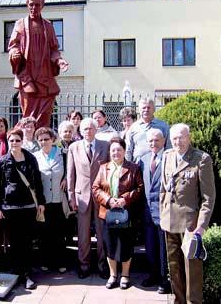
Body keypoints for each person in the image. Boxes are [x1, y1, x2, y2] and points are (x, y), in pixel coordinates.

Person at [160, 123, 216, 304]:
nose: (178, 141)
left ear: (189, 137)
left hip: (190, 225)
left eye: (182, 137)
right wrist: (163, 214)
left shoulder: (201, 159)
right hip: (169, 222)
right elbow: (163, 189)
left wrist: (201, 227)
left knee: (192, 270)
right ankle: (179, 301)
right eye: (174, 138)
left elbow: (208, 198)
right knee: (174, 268)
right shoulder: (167, 156)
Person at [0, 128, 45, 290]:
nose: (14, 143)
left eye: (17, 140)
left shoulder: (30, 158)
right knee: (14, 242)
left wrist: (41, 202)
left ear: (22, 141)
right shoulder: (3, 161)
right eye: (11, 140)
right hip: (9, 208)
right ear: (8, 142)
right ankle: (17, 272)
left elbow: (37, 181)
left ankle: (28, 274)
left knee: (27, 242)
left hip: (28, 207)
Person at [8, 0, 69, 128]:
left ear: (42, 6)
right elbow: (13, 46)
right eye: (31, 5)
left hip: (44, 76)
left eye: (37, 5)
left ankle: (42, 139)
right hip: (27, 75)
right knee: (28, 115)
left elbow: (54, 49)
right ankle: (26, 139)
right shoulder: (20, 24)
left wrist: (59, 60)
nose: (34, 7)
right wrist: (14, 53)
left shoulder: (48, 26)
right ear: (27, 5)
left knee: (44, 115)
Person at [92, 139, 144, 290]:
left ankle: (125, 275)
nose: (116, 153)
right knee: (110, 245)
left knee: (126, 245)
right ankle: (113, 275)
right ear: (109, 152)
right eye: (113, 150)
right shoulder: (103, 168)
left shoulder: (133, 168)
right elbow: (95, 188)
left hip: (126, 214)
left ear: (124, 150)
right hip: (107, 214)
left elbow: (140, 188)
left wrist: (124, 199)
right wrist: (108, 199)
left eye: (119, 149)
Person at [67, 118, 110, 279]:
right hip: (81, 196)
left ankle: (102, 265)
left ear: (96, 129)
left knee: (101, 232)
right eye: (85, 129)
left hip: (101, 195)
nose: (88, 131)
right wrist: (71, 196)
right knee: (83, 234)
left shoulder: (105, 146)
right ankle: (83, 265)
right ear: (81, 131)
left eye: (91, 128)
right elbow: (70, 173)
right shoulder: (74, 147)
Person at [139, 129, 171, 294]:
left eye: (156, 140)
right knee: (150, 247)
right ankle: (153, 274)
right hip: (147, 212)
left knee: (163, 248)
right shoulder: (143, 160)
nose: (153, 144)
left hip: (165, 211)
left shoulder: (170, 158)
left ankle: (165, 280)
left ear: (164, 140)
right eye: (150, 141)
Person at [34, 127, 68, 273]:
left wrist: (66, 178)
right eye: (40, 140)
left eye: (46, 139)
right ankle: (46, 261)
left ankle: (61, 261)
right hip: (44, 201)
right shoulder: (34, 156)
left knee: (59, 233)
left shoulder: (63, 154)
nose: (43, 142)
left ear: (53, 139)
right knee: (44, 233)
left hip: (59, 199)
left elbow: (69, 170)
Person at [125, 98, 170, 163]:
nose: (146, 110)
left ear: (154, 109)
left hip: (158, 165)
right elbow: (128, 149)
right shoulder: (133, 127)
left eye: (149, 108)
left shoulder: (163, 126)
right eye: (144, 108)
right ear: (139, 110)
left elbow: (169, 147)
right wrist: (128, 166)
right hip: (138, 166)